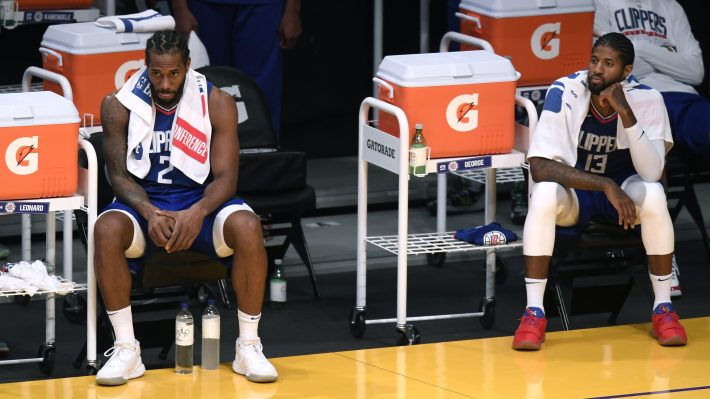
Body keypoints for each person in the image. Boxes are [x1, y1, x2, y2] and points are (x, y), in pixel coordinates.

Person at [93, 30, 277, 385]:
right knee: (106, 228)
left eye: (173, 73)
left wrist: (197, 213)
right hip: (145, 206)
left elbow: (226, 179)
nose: (164, 83)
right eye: (156, 73)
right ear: (145, 67)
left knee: (248, 225)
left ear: (188, 67)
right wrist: (149, 212)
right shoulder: (118, 104)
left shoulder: (218, 101)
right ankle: (127, 349)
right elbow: (118, 178)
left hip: (201, 204)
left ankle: (248, 346)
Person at [512, 33, 687, 351]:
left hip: (625, 190)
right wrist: (605, 185)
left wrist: (626, 113)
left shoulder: (648, 98)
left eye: (608, 64)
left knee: (656, 195)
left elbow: (651, 172)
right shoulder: (564, 90)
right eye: (594, 60)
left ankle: (663, 308)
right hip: (579, 192)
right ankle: (533, 313)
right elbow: (539, 166)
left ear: (626, 71)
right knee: (545, 193)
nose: (597, 69)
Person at [594, 0, 710, 297]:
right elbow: (618, 68)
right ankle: (664, 258)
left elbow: (695, 71)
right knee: (652, 158)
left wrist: (639, 49)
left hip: (683, 97)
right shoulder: (602, 4)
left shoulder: (670, 7)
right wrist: (668, 55)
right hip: (636, 96)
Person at [170, 0, 302, 142]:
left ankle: (263, 152)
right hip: (206, 6)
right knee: (206, 82)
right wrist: (180, 7)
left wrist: (292, 11)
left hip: (264, 6)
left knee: (263, 88)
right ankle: (207, 155)